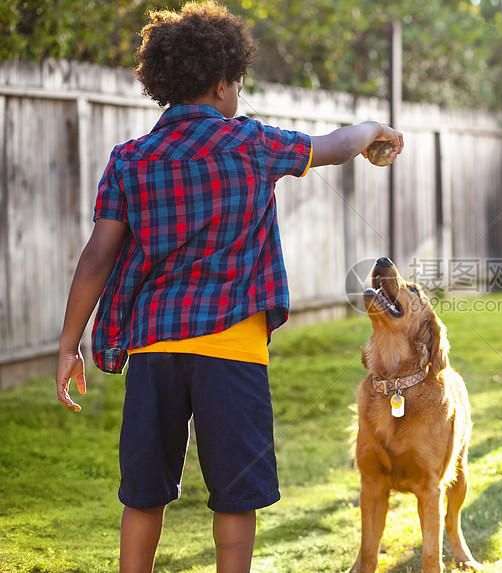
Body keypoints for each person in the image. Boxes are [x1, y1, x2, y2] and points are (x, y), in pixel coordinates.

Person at [53, 3, 403, 572]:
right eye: (237, 83)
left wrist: (70, 345)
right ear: (221, 85)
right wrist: (375, 132)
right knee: (236, 493)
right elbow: (336, 145)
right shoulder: (249, 143)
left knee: (143, 490)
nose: (238, 94)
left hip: (155, 348)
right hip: (231, 349)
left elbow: (98, 256)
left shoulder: (131, 159)